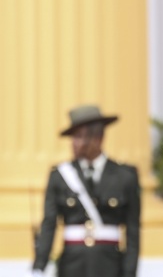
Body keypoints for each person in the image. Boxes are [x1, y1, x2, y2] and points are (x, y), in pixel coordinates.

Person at [31, 104, 141, 277]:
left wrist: (129, 272)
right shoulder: (59, 175)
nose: (74, 144)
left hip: (110, 265)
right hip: (71, 265)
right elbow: (49, 224)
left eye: (80, 137)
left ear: (98, 138)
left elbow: (133, 230)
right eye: (73, 137)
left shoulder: (125, 176)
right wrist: (39, 266)